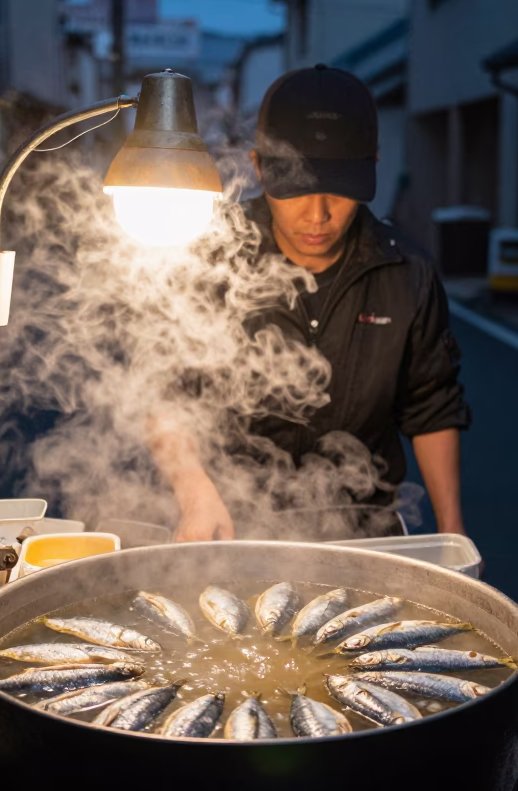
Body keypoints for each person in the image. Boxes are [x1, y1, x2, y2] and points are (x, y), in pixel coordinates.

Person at [151, 64, 471, 542]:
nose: (318, 215)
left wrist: (453, 531)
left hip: (365, 531)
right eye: (297, 190)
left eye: (339, 192)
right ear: (259, 168)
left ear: (371, 170)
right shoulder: (210, 259)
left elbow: (432, 406)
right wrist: (194, 490)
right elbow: (164, 391)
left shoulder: (408, 273)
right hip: (228, 522)